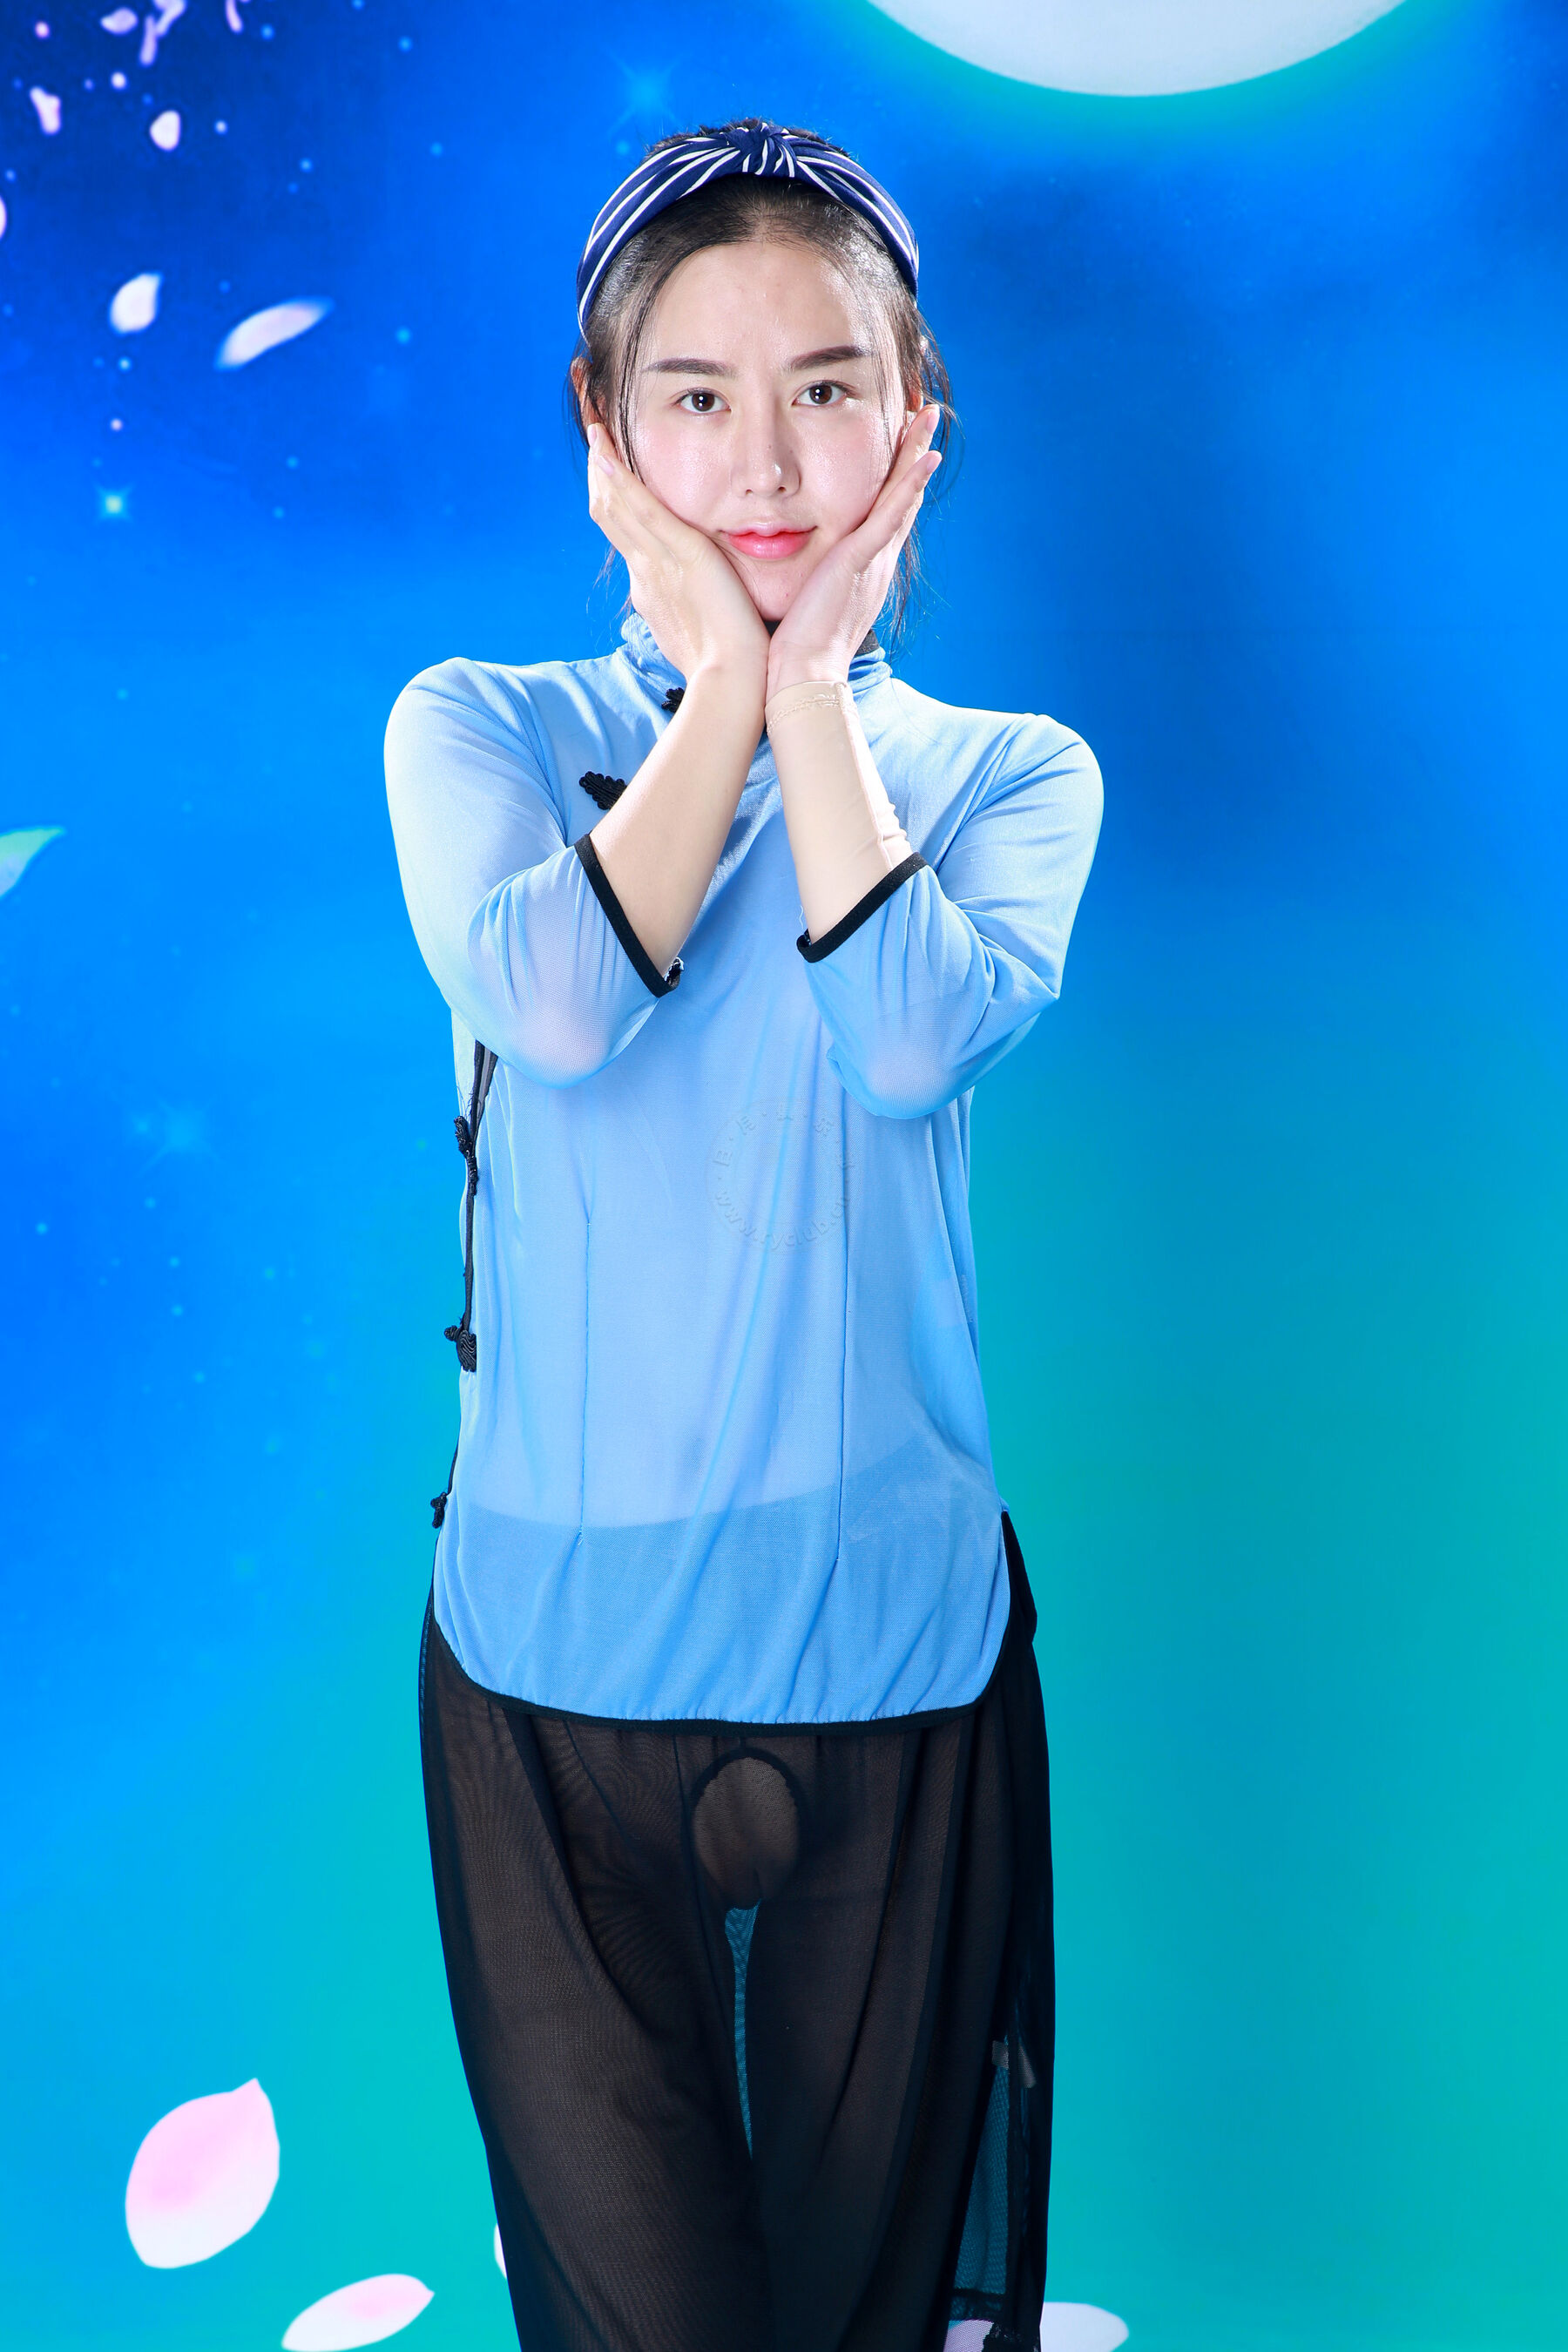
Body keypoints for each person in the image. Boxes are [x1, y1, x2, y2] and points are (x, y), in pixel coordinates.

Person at [384, 118, 1102, 2352]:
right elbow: (555, 1011)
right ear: (604, 430)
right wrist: (724, 690)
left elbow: (904, 1042)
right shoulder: (478, 730)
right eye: (696, 396)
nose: (767, 461)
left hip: (899, 1666)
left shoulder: (1011, 775)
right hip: (550, 1683)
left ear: (918, 417)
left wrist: (808, 695)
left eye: (827, 388)